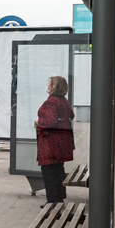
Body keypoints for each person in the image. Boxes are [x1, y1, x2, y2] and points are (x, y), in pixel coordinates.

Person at [34, 75, 75, 207]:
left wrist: (38, 123)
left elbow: (50, 122)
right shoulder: (63, 100)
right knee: (58, 170)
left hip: (51, 143)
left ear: (53, 87)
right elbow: (71, 115)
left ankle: (52, 201)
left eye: (49, 84)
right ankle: (59, 198)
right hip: (62, 142)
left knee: (49, 171)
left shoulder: (51, 102)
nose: (47, 86)